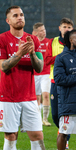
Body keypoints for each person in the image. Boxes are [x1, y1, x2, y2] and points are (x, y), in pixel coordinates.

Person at [0, 5, 45, 149]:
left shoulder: (33, 40)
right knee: (11, 135)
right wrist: (19, 53)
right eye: (15, 15)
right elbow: (3, 66)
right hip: (8, 97)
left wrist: (32, 53)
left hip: (29, 97)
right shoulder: (2, 39)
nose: (20, 17)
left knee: (38, 135)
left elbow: (39, 67)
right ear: (8, 20)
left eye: (21, 14)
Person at [45, 17, 73, 149]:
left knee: (67, 113)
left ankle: (65, 140)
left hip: (70, 83)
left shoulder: (75, 42)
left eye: (69, 27)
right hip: (55, 82)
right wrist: (62, 56)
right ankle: (62, 131)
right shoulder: (52, 42)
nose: (66, 29)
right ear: (59, 28)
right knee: (55, 114)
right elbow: (46, 61)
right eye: (64, 27)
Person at [32, 22, 51, 126]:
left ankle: (45, 119)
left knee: (46, 95)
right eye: (41, 30)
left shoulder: (49, 42)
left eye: (44, 30)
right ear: (35, 32)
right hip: (35, 73)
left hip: (46, 73)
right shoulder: (32, 42)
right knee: (37, 97)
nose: (44, 32)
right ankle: (38, 118)